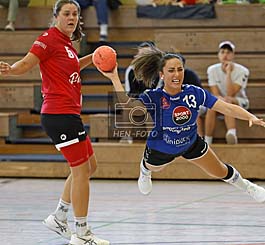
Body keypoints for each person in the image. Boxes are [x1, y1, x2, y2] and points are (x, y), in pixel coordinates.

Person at [0, 0, 109, 244]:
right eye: (67, 13)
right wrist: (11, 69)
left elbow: (71, 66)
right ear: (56, 16)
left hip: (70, 114)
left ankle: (59, 216)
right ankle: (81, 233)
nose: (72, 18)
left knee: (89, 167)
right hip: (58, 114)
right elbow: (28, 62)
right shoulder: (48, 38)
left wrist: (93, 57)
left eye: (75, 14)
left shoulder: (68, 45)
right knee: (80, 171)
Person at [97, 46, 265, 203]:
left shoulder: (194, 92)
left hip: (190, 142)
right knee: (154, 168)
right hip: (161, 146)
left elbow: (226, 107)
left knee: (220, 171)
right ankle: (144, 170)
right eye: (171, 70)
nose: (176, 74)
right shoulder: (154, 96)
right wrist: (114, 78)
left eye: (179, 69)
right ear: (162, 75)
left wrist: (250, 116)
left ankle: (249, 187)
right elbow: (129, 106)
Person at [204, 41, 250, 145]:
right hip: (221, 100)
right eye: (222, 52)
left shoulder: (243, 71)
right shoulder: (211, 70)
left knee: (228, 101)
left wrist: (228, 73)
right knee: (212, 104)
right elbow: (215, 92)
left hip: (239, 101)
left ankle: (232, 133)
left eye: (228, 52)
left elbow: (231, 93)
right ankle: (207, 141)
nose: (225, 55)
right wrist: (221, 100)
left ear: (233, 55)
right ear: (218, 54)